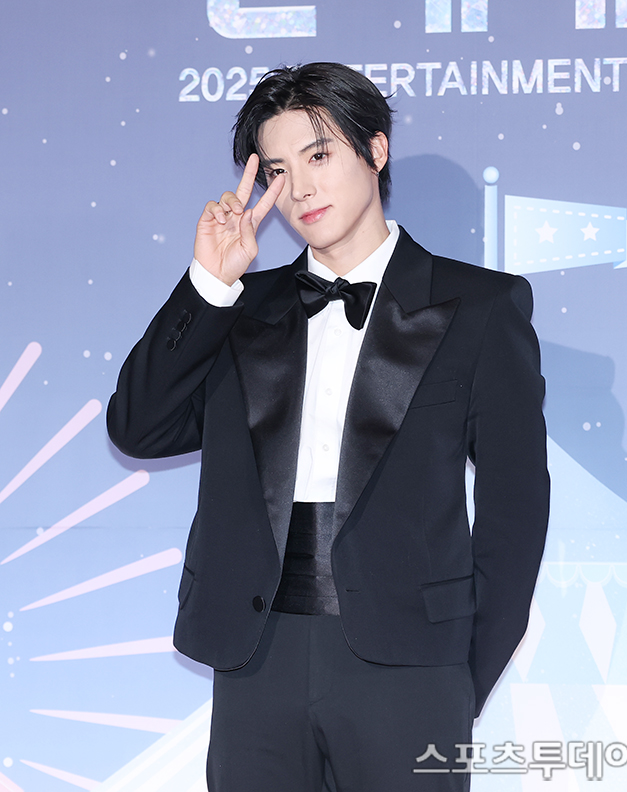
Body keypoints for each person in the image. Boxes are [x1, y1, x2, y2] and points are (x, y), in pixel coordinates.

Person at [107, 62, 549, 792]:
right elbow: (138, 428)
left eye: (318, 155)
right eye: (279, 171)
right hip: (258, 654)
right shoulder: (240, 309)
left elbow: (516, 508)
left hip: (411, 664)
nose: (302, 189)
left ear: (376, 149)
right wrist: (210, 283)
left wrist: (459, 675)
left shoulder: (479, 307)